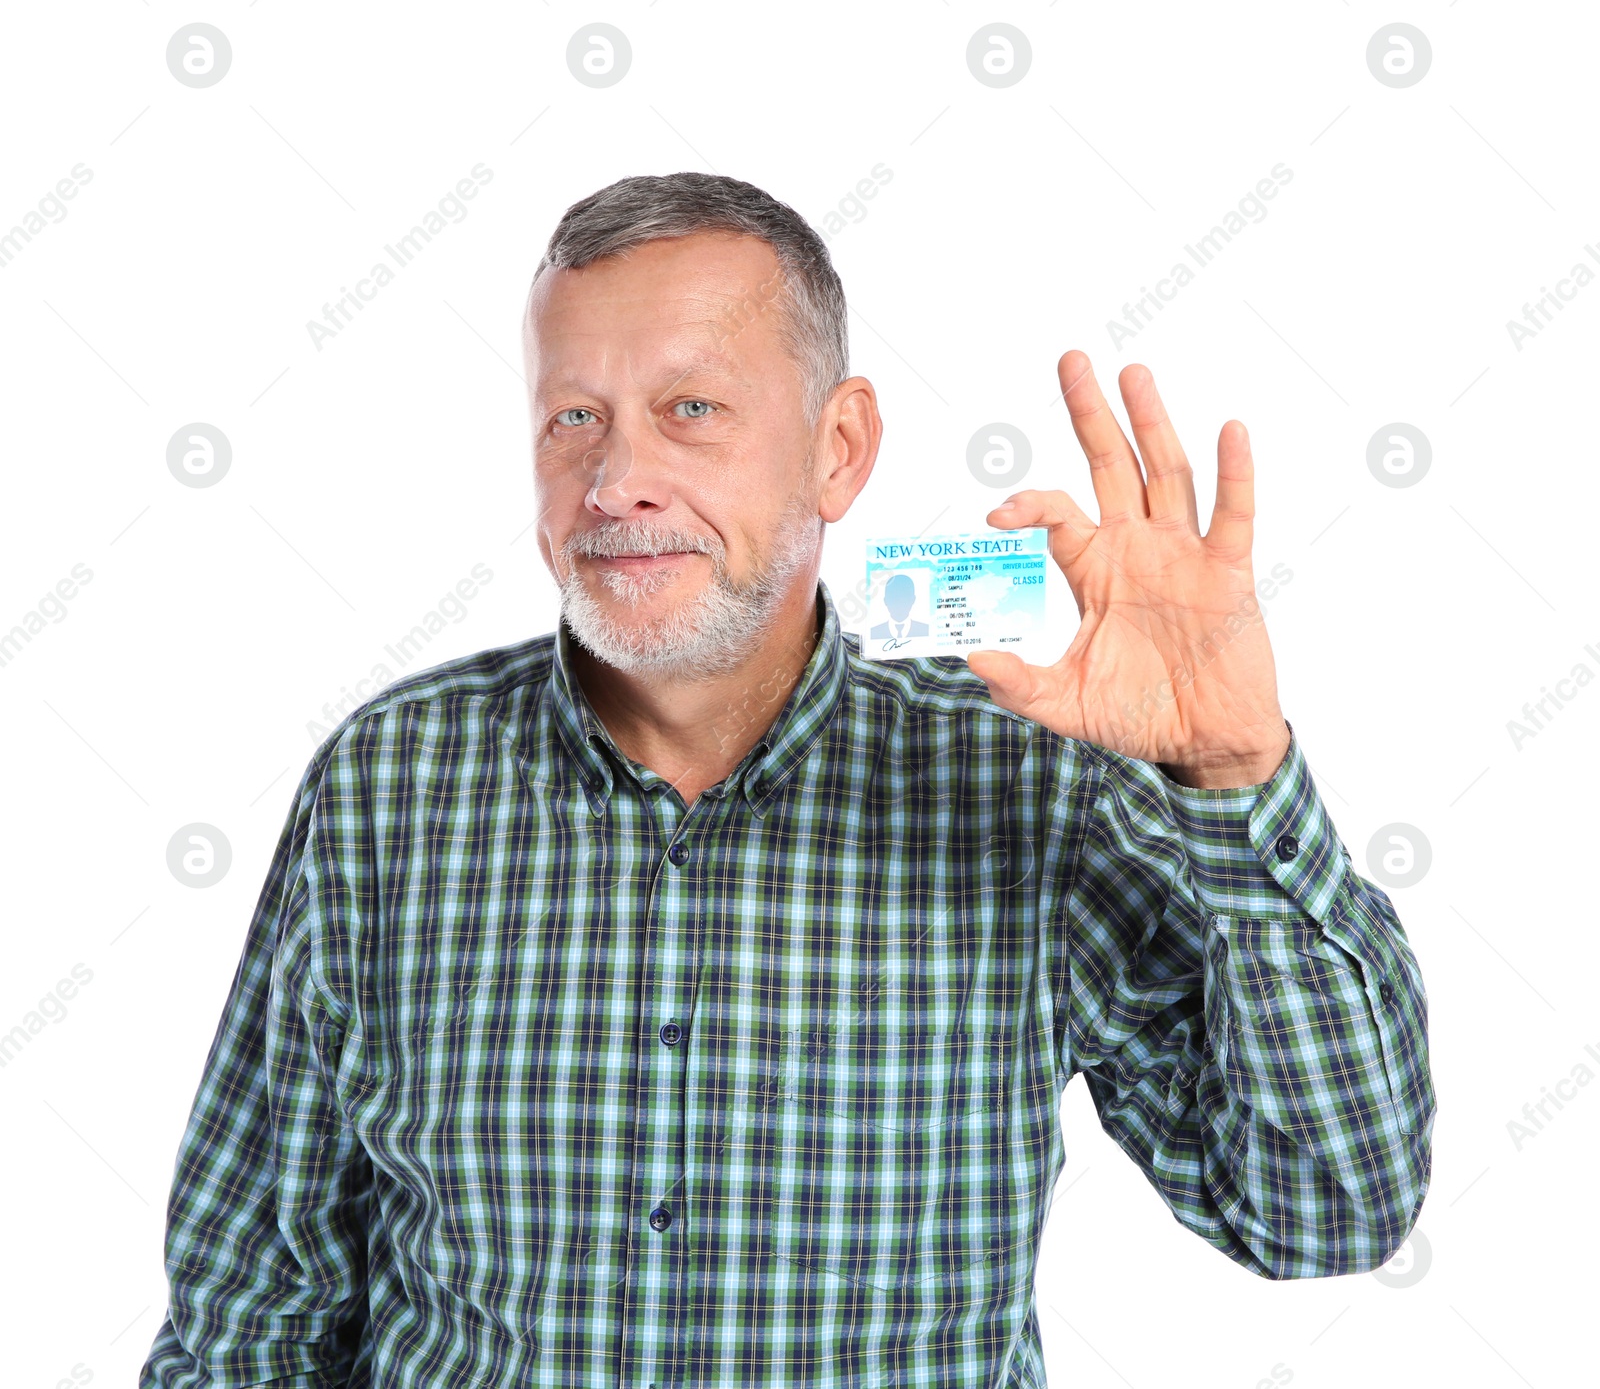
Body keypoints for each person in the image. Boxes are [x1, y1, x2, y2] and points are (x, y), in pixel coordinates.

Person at [141, 171, 1435, 1388]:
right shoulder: (389, 784)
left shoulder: (1025, 783)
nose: (617, 479)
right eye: (571, 416)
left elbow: (1324, 1205)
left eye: (690, 409)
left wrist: (1232, 775)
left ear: (840, 448)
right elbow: (250, 1311)